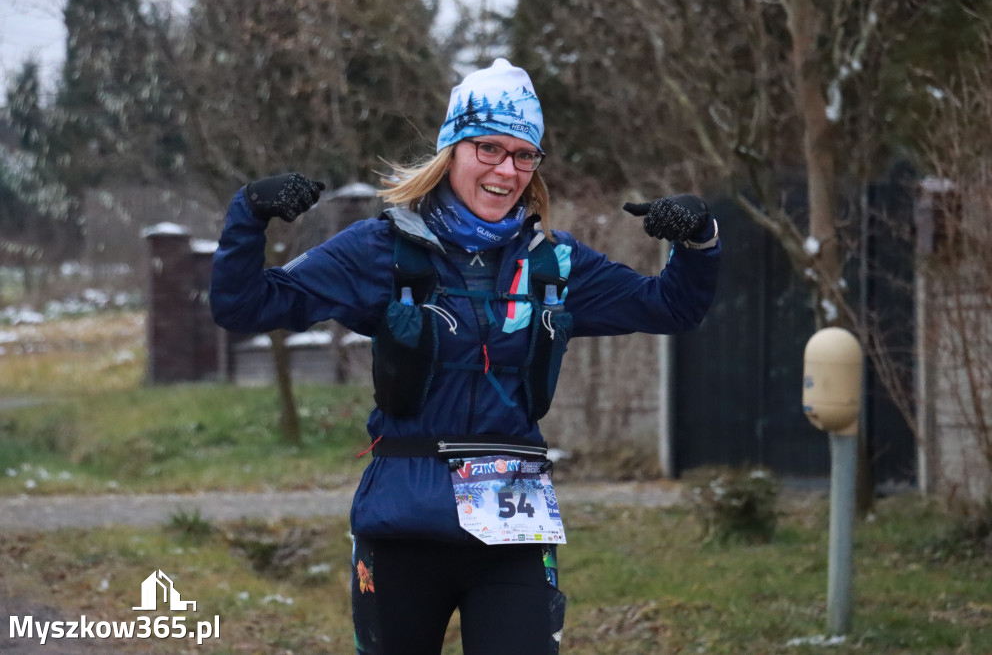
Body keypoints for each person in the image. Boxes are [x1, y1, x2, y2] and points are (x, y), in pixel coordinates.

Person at [210, 58, 720, 655]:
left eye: (524, 155)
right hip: (402, 524)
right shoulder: (380, 249)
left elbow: (671, 308)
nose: (507, 170)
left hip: (513, 532)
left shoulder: (553, 261)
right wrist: (250, 214)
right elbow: (244, 307)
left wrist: (698, 240)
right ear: (450, 150)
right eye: (488, 149)